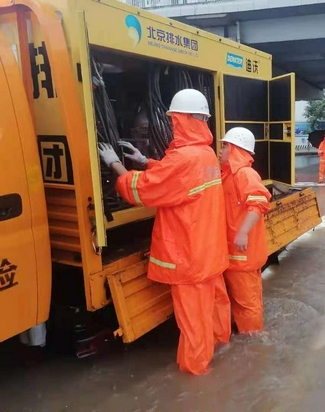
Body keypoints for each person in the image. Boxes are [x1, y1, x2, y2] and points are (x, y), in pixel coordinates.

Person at [98, 89, 231, 376]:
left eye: (174, 119)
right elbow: (178, 180)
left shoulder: (184, 159)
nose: (171, 124)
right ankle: (224, 350)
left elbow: (143, 190)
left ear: (182, 120)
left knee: (193, 323)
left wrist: (115, 164)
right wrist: (146, 162)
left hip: (190, 259)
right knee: (214, 308)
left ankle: (196, 379)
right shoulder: (205, 155)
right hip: (210, 253)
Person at [219, 127, 272, 333]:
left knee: (246, 303)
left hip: (242, 255)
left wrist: (242, 233)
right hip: (238, 254)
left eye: (224, 146)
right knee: (247, 300)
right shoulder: (230, 175)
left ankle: (253, 344)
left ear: (234, 149)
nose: (221, 151)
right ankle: (250, 336)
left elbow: (259, 202)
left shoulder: (244, 174)